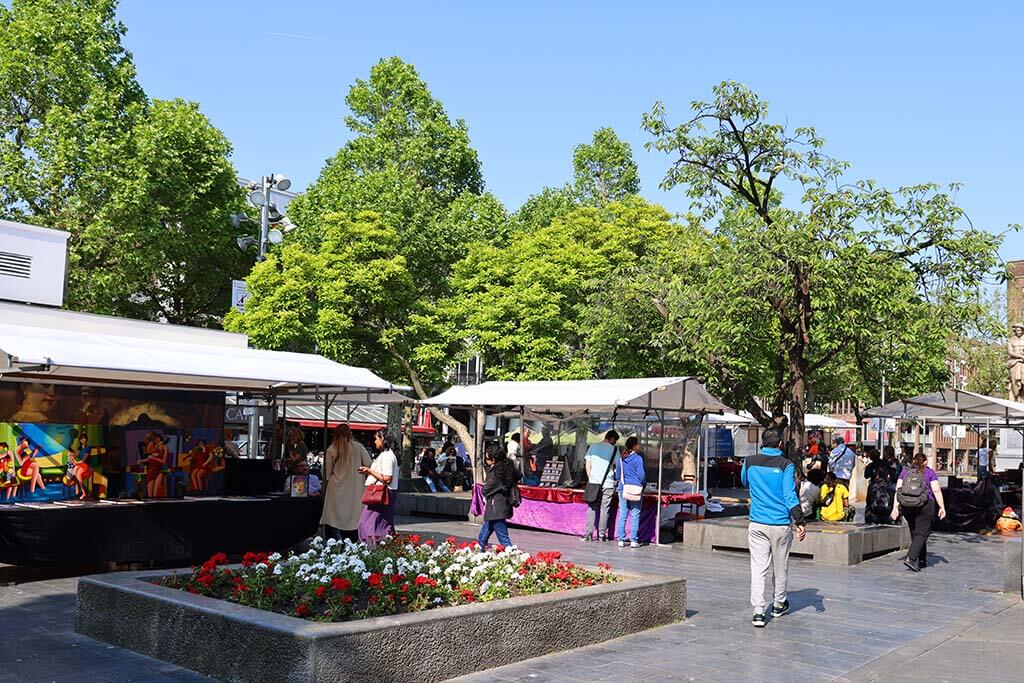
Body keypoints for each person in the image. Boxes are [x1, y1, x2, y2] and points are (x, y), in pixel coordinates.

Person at [741, 429, 806, 628]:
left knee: (758, 568)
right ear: (779, 445)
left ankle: (759, 611)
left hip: (757, 522)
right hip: (780, 524)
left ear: (762, 442)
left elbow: (745, 482)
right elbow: (789, 495)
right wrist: (800, 520)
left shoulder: (749, 461)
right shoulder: (786, 465)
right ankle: (778, 604)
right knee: (780, 565)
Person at [891, 452, 947, 571]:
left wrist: (895, 508)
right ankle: (911, 558)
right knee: (922, 533)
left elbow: (898, 490)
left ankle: (921, 559)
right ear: (925, 461)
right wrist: (942, 507)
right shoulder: (929, 472)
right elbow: (936, 491)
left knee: (916, 532)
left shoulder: (905, 472)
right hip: (925, 505)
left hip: (906, 506)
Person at [321, 424, 372, 542]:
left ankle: (333, 546)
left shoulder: (331, 449)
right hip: (355, 487)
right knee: (353, 518)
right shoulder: (358, 447)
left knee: (333, 518)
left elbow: (328, 473)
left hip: (336, 488)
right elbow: (369, 464)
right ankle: (351, 546)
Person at [358, 431, 399, 543]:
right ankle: (385, 546)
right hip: (385, 494)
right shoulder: (387, 455)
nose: (375, 441)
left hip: (382, 494)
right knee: (382, 524)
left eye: (376, 439)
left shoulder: (387, 456)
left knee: (366, 524)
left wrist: (369, 471)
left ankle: (372, 547)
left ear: (383, 439)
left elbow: (387, 478)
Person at [478, 449, 521, 549]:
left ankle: (512, 554)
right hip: (501, 505)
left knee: (503, 537)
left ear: (493, 460)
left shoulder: (497, 473)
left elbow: (485, 489)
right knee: (484, 534)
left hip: (496, 506)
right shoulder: (508, 469)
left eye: (488, 458)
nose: (486, 461)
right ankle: (480, 550)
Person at [581, 430, 619, 542]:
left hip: (593, 482)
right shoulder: (614, 450)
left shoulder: (593, 447)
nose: (614, 443)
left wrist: (591, 478)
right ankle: (602, 535)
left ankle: (588, 534)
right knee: (604, 509)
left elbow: (588, 465)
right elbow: (617, 466)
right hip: (608, 483)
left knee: (592, 508)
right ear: (612, 439)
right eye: (614, 441)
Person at [615, 436, 647, 548]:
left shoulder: (621, 458)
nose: (640, 446)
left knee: (623, 513)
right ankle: (633, 540)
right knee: (635, 514)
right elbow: (641, 475)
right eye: (638, 444)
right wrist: (642, 484)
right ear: (634, 446)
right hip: (636, 489)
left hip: (623, 488)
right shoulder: (638, 459)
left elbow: (617, 475)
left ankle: (621, 539)